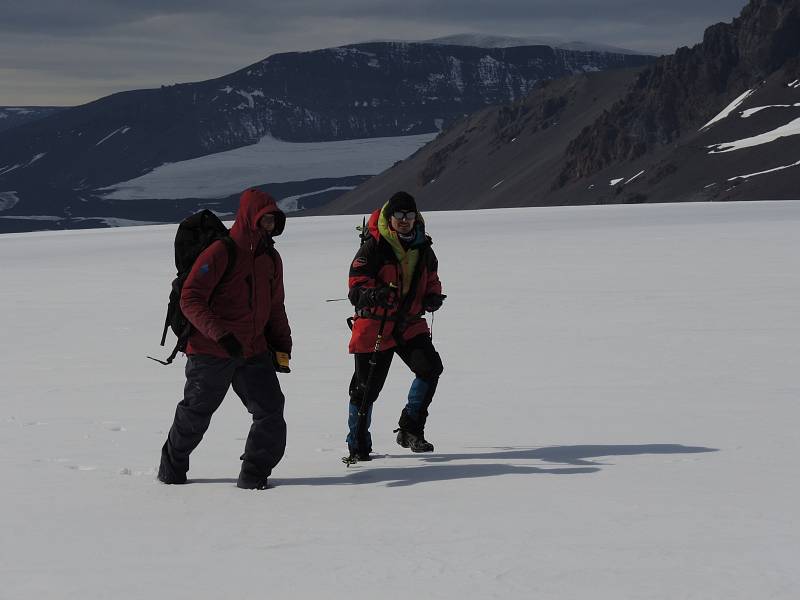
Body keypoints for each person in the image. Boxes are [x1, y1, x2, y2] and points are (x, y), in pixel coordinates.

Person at [157, 188, 292, 489]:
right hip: (210, 351)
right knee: (196, 413)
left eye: (273, 221)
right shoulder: (222, 251)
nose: (268, 226)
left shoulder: (271, 258)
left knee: (270, 410)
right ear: (249, 219)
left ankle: (254, 476)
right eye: (264, 220)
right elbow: (190, 298)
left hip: (253, 349)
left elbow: (275, 305)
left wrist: (282, 345)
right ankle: (171, 470)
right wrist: (221, 335)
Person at [345, 191, 446, 462]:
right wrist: (374, 294)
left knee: (429, 368)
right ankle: (358, 444)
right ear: (390, 219)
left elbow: (432, 277)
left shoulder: (423, 246)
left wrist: (433, 295)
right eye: (399, 216)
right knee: (365, 390)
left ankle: (410, 429)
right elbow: (355, 286)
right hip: (375, 325)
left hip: (408, 322)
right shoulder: (374, 247)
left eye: (409, 216)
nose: (404, 221)